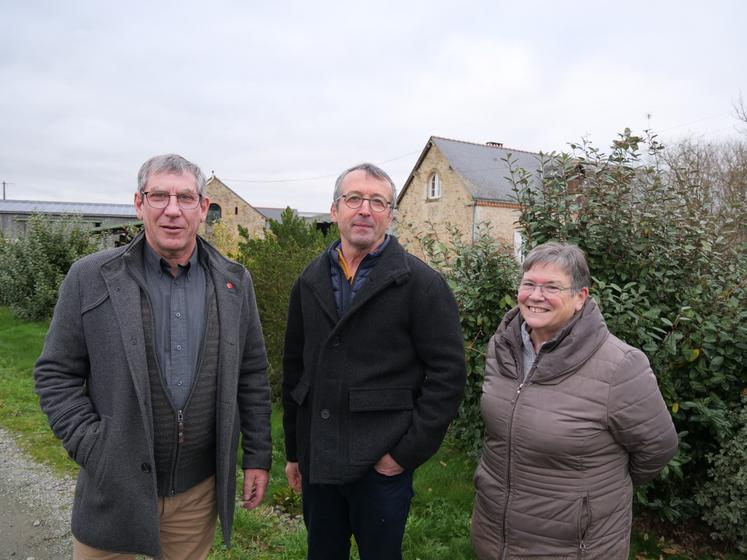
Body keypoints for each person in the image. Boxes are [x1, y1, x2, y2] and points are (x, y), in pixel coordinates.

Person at [34, 154, 272, 559]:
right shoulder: (90, 278)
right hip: (114, 492)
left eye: (185, 197)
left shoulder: (234, 282)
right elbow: (56, 373)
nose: (172, 210)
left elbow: (251, 374)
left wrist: (258, 455)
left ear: (202, 207)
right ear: (139, 203)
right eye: (159, 195)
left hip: (196, 498)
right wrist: (96, 449)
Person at [282, 162, 466, 559]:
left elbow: (448, 377)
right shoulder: (309, 280)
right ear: (335, 211)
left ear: (390, 215)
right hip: (320, 458)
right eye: (354, 199)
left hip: (380, 465)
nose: (365, 209)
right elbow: (295, 371)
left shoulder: (422, 285)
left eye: (378, 202)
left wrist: (402, 455)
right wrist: (296, 452)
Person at [470, 241, 679, 559]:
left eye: (552, 286)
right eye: (529, 284)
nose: (536, 296)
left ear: (580, 297)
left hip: (573, 546)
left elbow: (657, 448)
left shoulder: (620, 366)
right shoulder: (503, 349)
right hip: (494, 535)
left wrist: (591, 496)